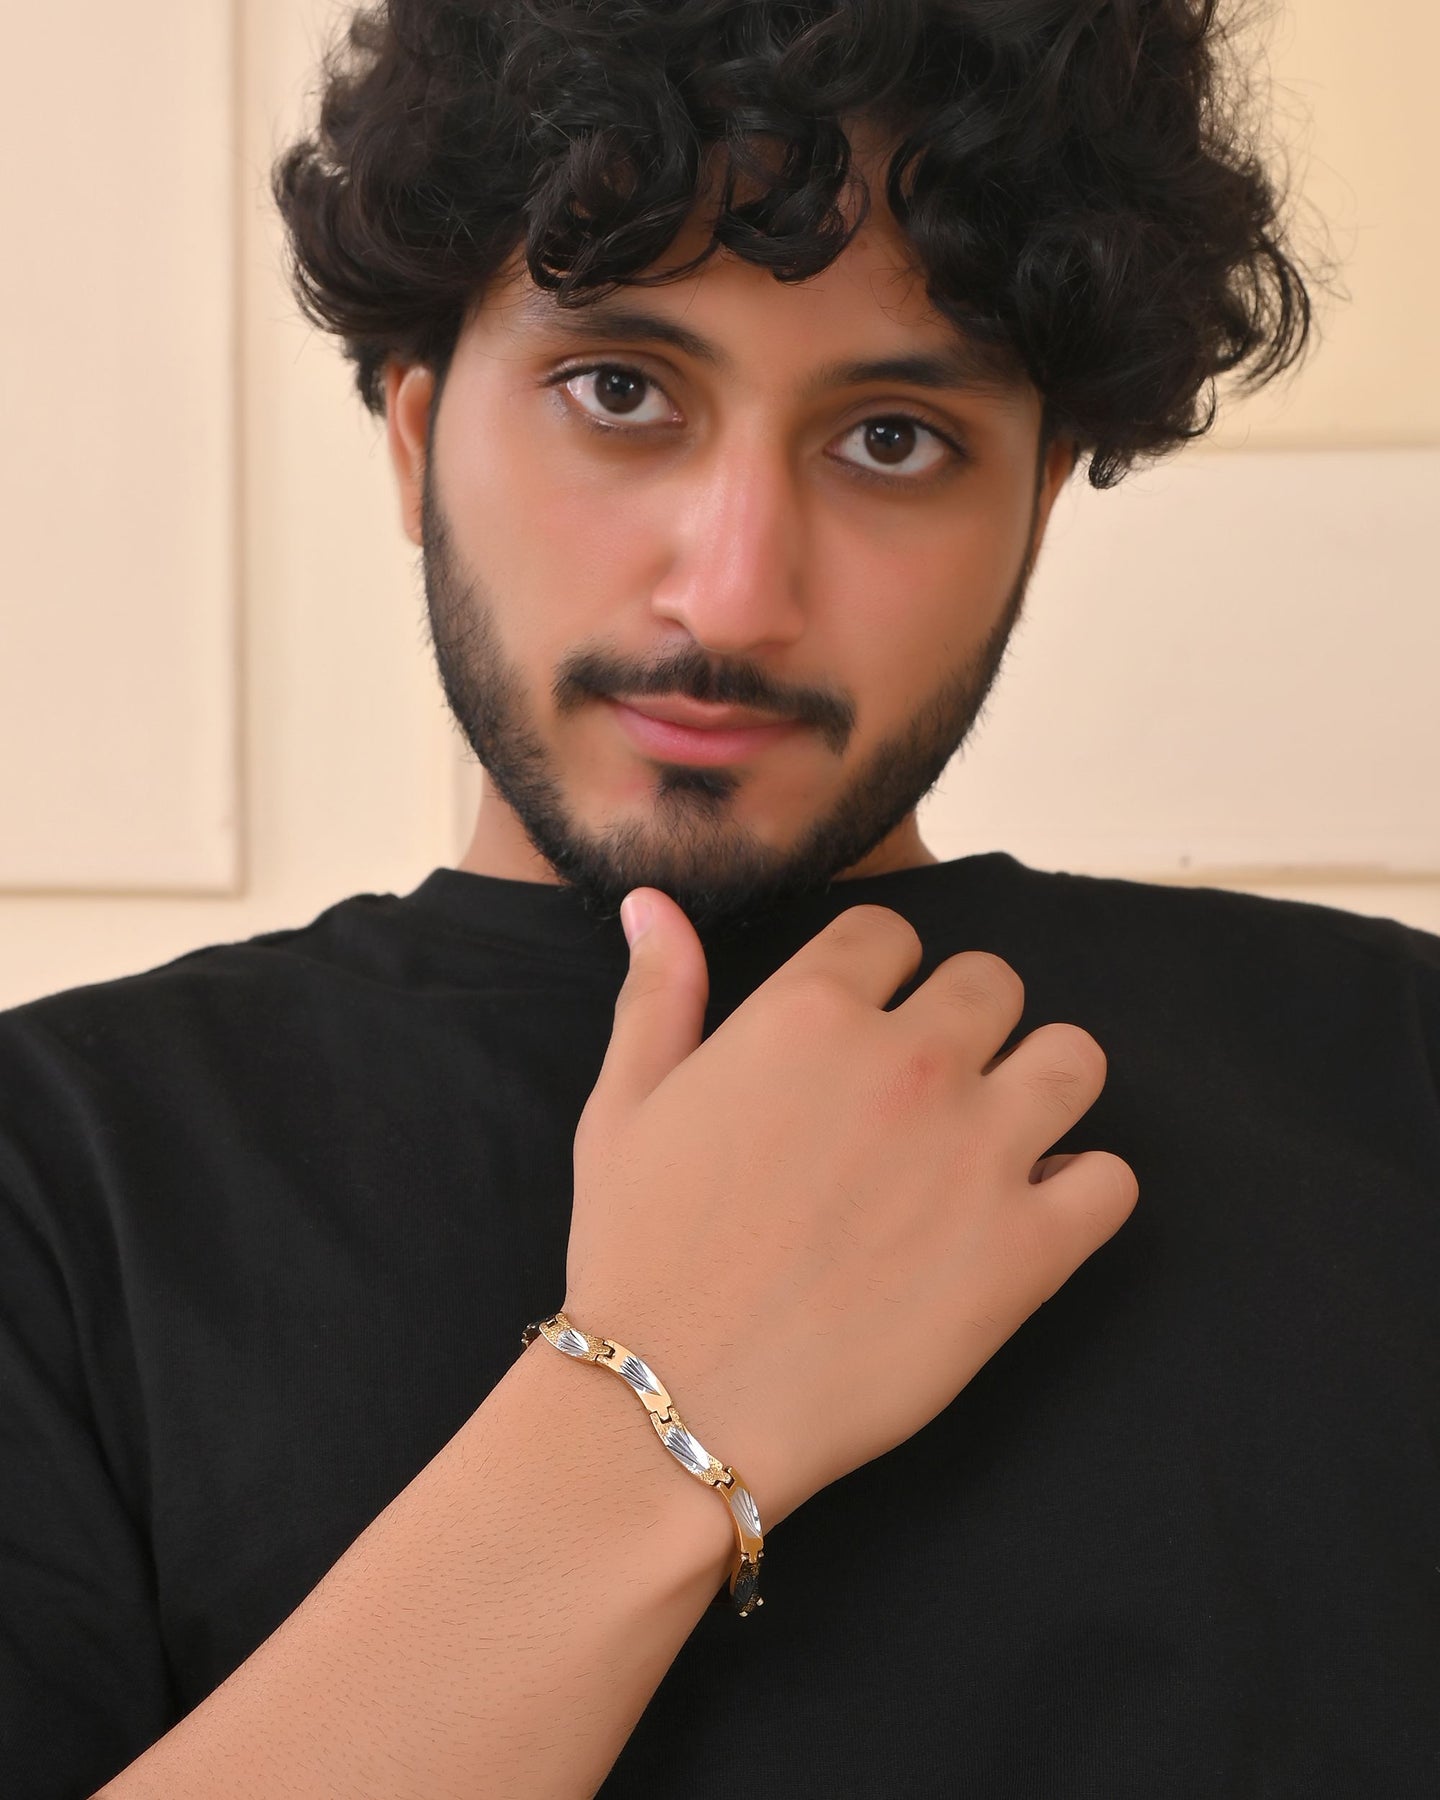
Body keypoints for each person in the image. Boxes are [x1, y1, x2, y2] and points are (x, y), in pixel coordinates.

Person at [2, 1, 1435, 1795]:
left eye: (893, 436)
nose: (736, 593)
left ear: (1042, 502)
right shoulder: (55, 1178)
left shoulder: (1400, 1076)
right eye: (620, 391)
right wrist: (655, 1401)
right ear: (415, 437)